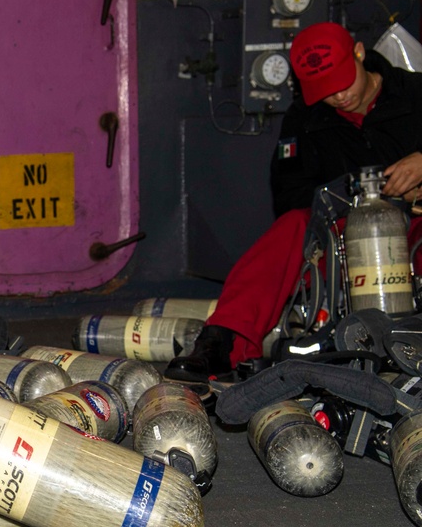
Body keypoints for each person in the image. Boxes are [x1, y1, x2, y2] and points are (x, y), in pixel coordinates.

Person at [166, 21, 422, 385]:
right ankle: (222, 342)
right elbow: (289, 193)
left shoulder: (415, 93)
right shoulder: (306, 118)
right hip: (344, 233)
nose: (339, 97)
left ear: (360, 53)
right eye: (326, 91)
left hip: (414, 225)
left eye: (343, 82)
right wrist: (346, 193)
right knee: (292, 227)